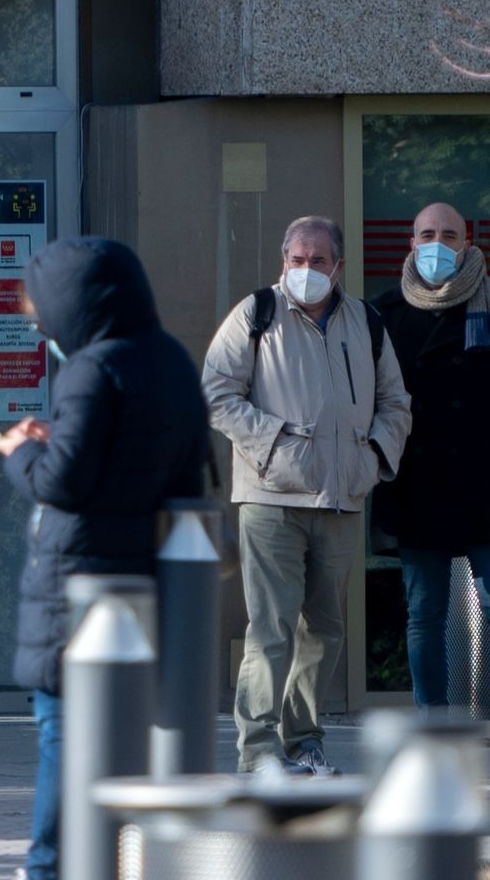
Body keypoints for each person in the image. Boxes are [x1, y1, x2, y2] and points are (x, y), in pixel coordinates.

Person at [0, 237, 210, 880]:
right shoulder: (168, 359)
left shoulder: (90, 367)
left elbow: (66, 482)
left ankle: (48, 867)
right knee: (123, 739)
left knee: (62, 733)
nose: (42, 325)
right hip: (148, 582)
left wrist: (19, 453)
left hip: (78, 585)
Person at [203, 215, 411, 776]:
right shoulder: (257, 313)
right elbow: (217, 393)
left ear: (338, 267)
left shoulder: (365, 321)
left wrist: (372, 459)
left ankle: (304, 741)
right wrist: (275, 447)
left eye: (319, 261)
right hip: (272, 499)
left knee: (324, 630)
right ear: (283, 262)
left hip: (342, 499)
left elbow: (396, 401)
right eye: (297, 259)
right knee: (270, 628)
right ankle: (259, 752)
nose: (307, 270)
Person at [372, 202, 490, 778]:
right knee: (424, 614)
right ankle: (434, 740)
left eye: (448, 234)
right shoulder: (383, 311)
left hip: (486, 481)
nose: (437, 242)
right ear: (410, 241)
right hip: (416, 483)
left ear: (467, 239)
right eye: (427, 233)